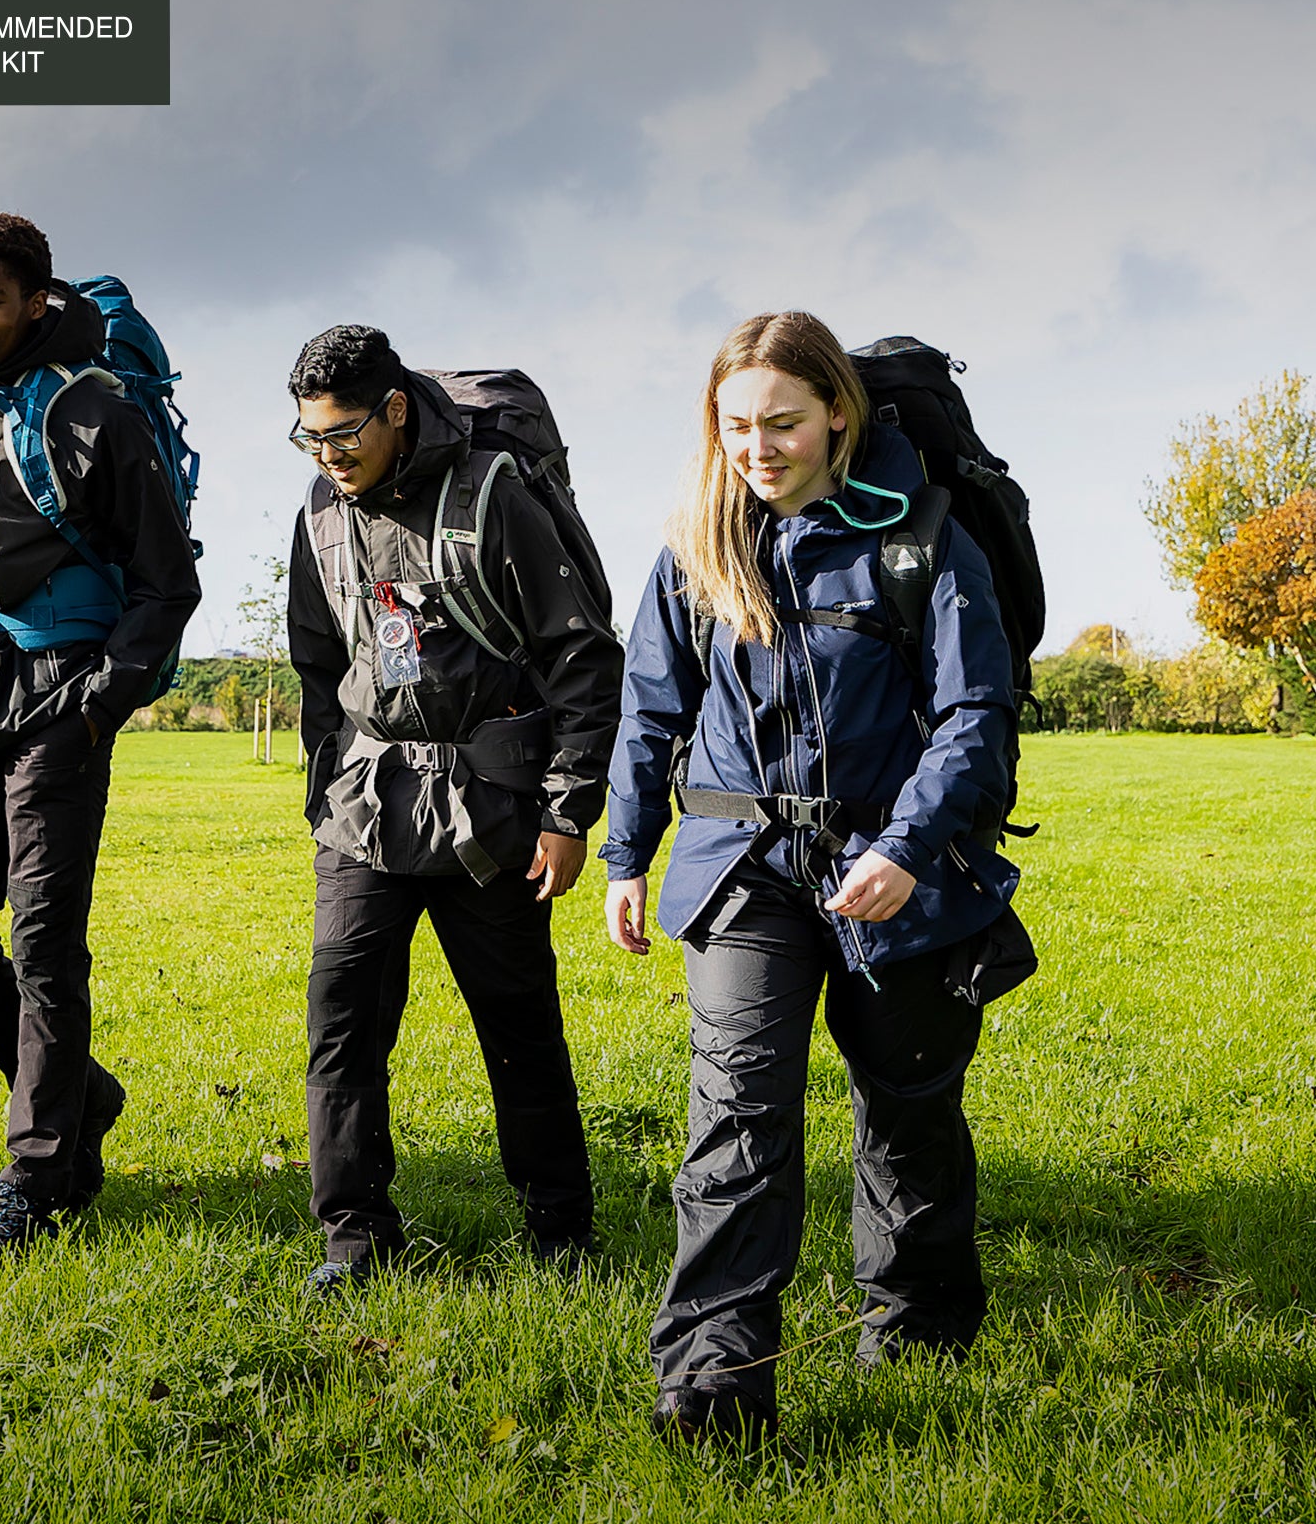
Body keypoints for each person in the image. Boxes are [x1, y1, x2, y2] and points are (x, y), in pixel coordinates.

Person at [599, 310, 1023, 1444]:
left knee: (908, 1107)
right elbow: (648, 707)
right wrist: (627, 853)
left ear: (838, 412)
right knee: (734, 1116)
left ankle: (920, 1322)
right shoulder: (695, 543)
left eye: (781, 421)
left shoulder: (920, 537)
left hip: (896, 871)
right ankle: (711, 1381)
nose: (756, 445)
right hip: (741, 869)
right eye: (734, 424)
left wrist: (906, 846)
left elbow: (974, 711)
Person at [0, 212, 203, 1258]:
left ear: (31, 302)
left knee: (44, 944)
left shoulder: (92, 412)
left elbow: (167, 580)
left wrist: (97, 699)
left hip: (62, 691)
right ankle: (81, 1094)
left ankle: (32, 1174)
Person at [281, 326, 621, 1293]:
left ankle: (560, 1231)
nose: (330, 455)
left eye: (344, 432)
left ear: (395, 410)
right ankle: (354, 1237)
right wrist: (327, 785)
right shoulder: (319, 510)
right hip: (366, 812)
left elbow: (583, 659)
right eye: (310, 439)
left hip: (496, 816)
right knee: (341, 1022)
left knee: (517, 1023)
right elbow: (317, 661)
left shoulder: (493, 495)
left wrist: (565, 813)